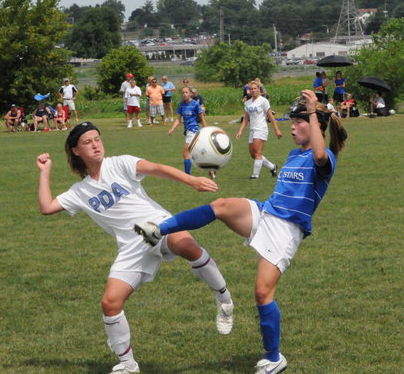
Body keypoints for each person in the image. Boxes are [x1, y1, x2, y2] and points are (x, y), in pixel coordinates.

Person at [134, 90, 348, 374]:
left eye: (299, 122)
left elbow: (320, 154)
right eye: (293, 122)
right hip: (266, 213)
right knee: (221, 205)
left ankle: (274, 358)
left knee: (262, 293)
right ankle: (158, 230)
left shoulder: (325, 158)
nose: (292, 127)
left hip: (286, 231)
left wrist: (311, 110)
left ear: (315, 125)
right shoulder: (294, 154)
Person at [36, 122, 234, 374]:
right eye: (87, 142)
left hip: (155, 225)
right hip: (131, 246)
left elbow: (157, 168)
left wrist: (191, 180)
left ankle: (224, 299)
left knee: (187, 245)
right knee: (110, 303)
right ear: (76, 151)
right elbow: (47, 207)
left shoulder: (119, 163)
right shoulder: (80, 191)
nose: (95, 145)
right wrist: (45, 171)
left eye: (97, 139)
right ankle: (128, 365)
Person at [236, 80, 283, 180]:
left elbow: (270, 116)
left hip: (261, 128)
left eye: (255, 88)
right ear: (249, 90)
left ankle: (255, 175)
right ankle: (272, 167)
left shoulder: (263, 101)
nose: (253, 90)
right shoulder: (247, 103)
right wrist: (240, 131)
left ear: (259, 89)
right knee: (253, 154)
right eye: (251, 89)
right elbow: (246, 118)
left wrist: (277, 130)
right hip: (252, 130)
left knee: (257, 153)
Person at [169, 87, 207, 175]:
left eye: (186, 92)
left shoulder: (195, 104)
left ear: (190, 93)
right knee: (196, 153)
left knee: (186, 153)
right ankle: (211, 169)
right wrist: (172, 128)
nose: (184, 94)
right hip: (188, 132)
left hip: (193, 130)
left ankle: (187, 176)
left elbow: (202, 118)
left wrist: (206, 130)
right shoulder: (181, 105)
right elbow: (178, 119)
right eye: (183, 93)